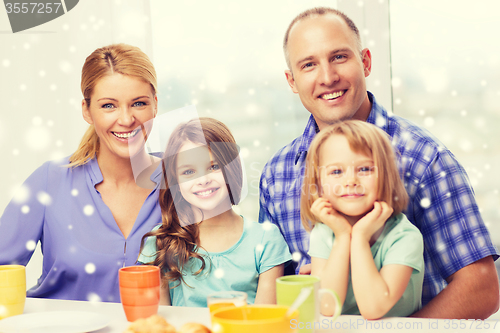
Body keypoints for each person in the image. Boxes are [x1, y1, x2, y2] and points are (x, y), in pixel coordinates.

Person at [259, 7, 499, 318]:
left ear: (366, 62)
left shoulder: (425, 159)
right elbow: (269, 288)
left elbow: (480, 288)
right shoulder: (276, 174)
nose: (328, 77)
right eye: (309, 65)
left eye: (339, 57)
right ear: (292, 81)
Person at [0, 44, 162, 302]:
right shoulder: (49, 181)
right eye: (108, 106)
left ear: (155, 104)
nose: (126, 119)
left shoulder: (181, 180)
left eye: (139, 103)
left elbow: (226, 258)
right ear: (87, 110)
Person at [139, 117, 291, 307]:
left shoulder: (266, 240)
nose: (203, 180)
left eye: (214, 167)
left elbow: (264, 321)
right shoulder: (159, 243)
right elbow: (159, 324)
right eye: (188, 172)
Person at [303, 120, 424, 319]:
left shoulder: (405, 237)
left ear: (386, 175)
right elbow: (327, 306)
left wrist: (358, 237)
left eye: (365, 169)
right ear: (319, 183)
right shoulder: (324, 232)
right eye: (336, 171)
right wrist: (343, 237)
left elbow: (373, 308)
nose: (350, 181)